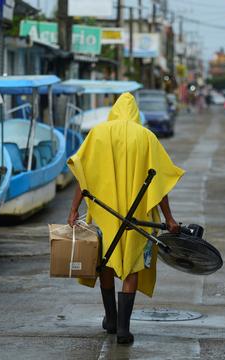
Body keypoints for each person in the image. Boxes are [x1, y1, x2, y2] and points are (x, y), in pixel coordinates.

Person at [67, 93, 184, 345]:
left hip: (105, 215)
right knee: (131, 267)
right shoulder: (147, 137)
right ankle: (123, 329)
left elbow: (83, 176)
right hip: (137, 218)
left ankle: (110, 319)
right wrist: (170, 219)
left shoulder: (98, 134)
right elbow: (159, 184)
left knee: (106, 263)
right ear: (135, 113)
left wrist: (74, 209)